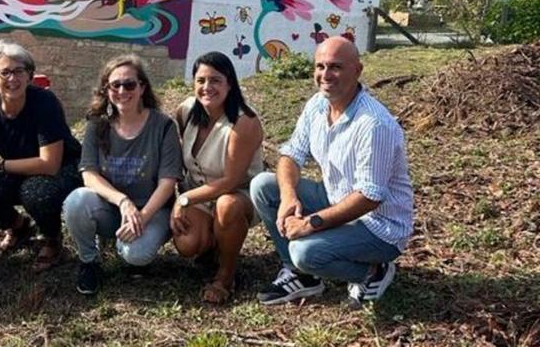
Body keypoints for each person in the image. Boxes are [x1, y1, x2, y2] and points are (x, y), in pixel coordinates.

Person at [250, 37, 414, 306]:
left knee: (305, 251)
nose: (325, 75)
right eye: (320, 66)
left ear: (357, 71)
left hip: (378, 226)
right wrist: (290, 197)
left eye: (335, 67)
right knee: (264, 186)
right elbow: (291, 154)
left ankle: (373, 271)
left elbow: (369, 197)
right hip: (336, 198)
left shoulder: (373, 124)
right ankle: (302, 276)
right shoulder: (317, 104)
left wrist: (310, 223)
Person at [0, 40, 81, 272]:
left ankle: (51, 238)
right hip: (16, 169)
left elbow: (49, 164)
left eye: (19, 71)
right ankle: (19, 227)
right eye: (5, 72)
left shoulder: (44, 103)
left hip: (63, 168)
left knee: (35, 192)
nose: (13, 79)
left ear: (30, 75)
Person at [62, 54, 182, 295]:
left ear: (142, 87)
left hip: (152, 210)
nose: (121, 90)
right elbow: (89, 174)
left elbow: (168, 182)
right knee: (76, 200)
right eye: (114, 85)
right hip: (112, 207)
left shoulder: (163, 126)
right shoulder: (98, 124)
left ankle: (128, 249)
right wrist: (123, 201)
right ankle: (89, 261)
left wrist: (142, 217)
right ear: (106, 90)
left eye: (129, 84)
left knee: (135, 255)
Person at [171, 51, 264, 304]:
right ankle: (214, 246)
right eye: (201, 80)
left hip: (239, 194)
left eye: (215, 80)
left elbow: (231, 181)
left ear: (230, 84)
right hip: (200, 191)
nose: (206, 87)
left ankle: (226, 273)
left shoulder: (244, 121)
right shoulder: (186, 110)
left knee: (227, 205)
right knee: (188, 244)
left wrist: (184, 199)